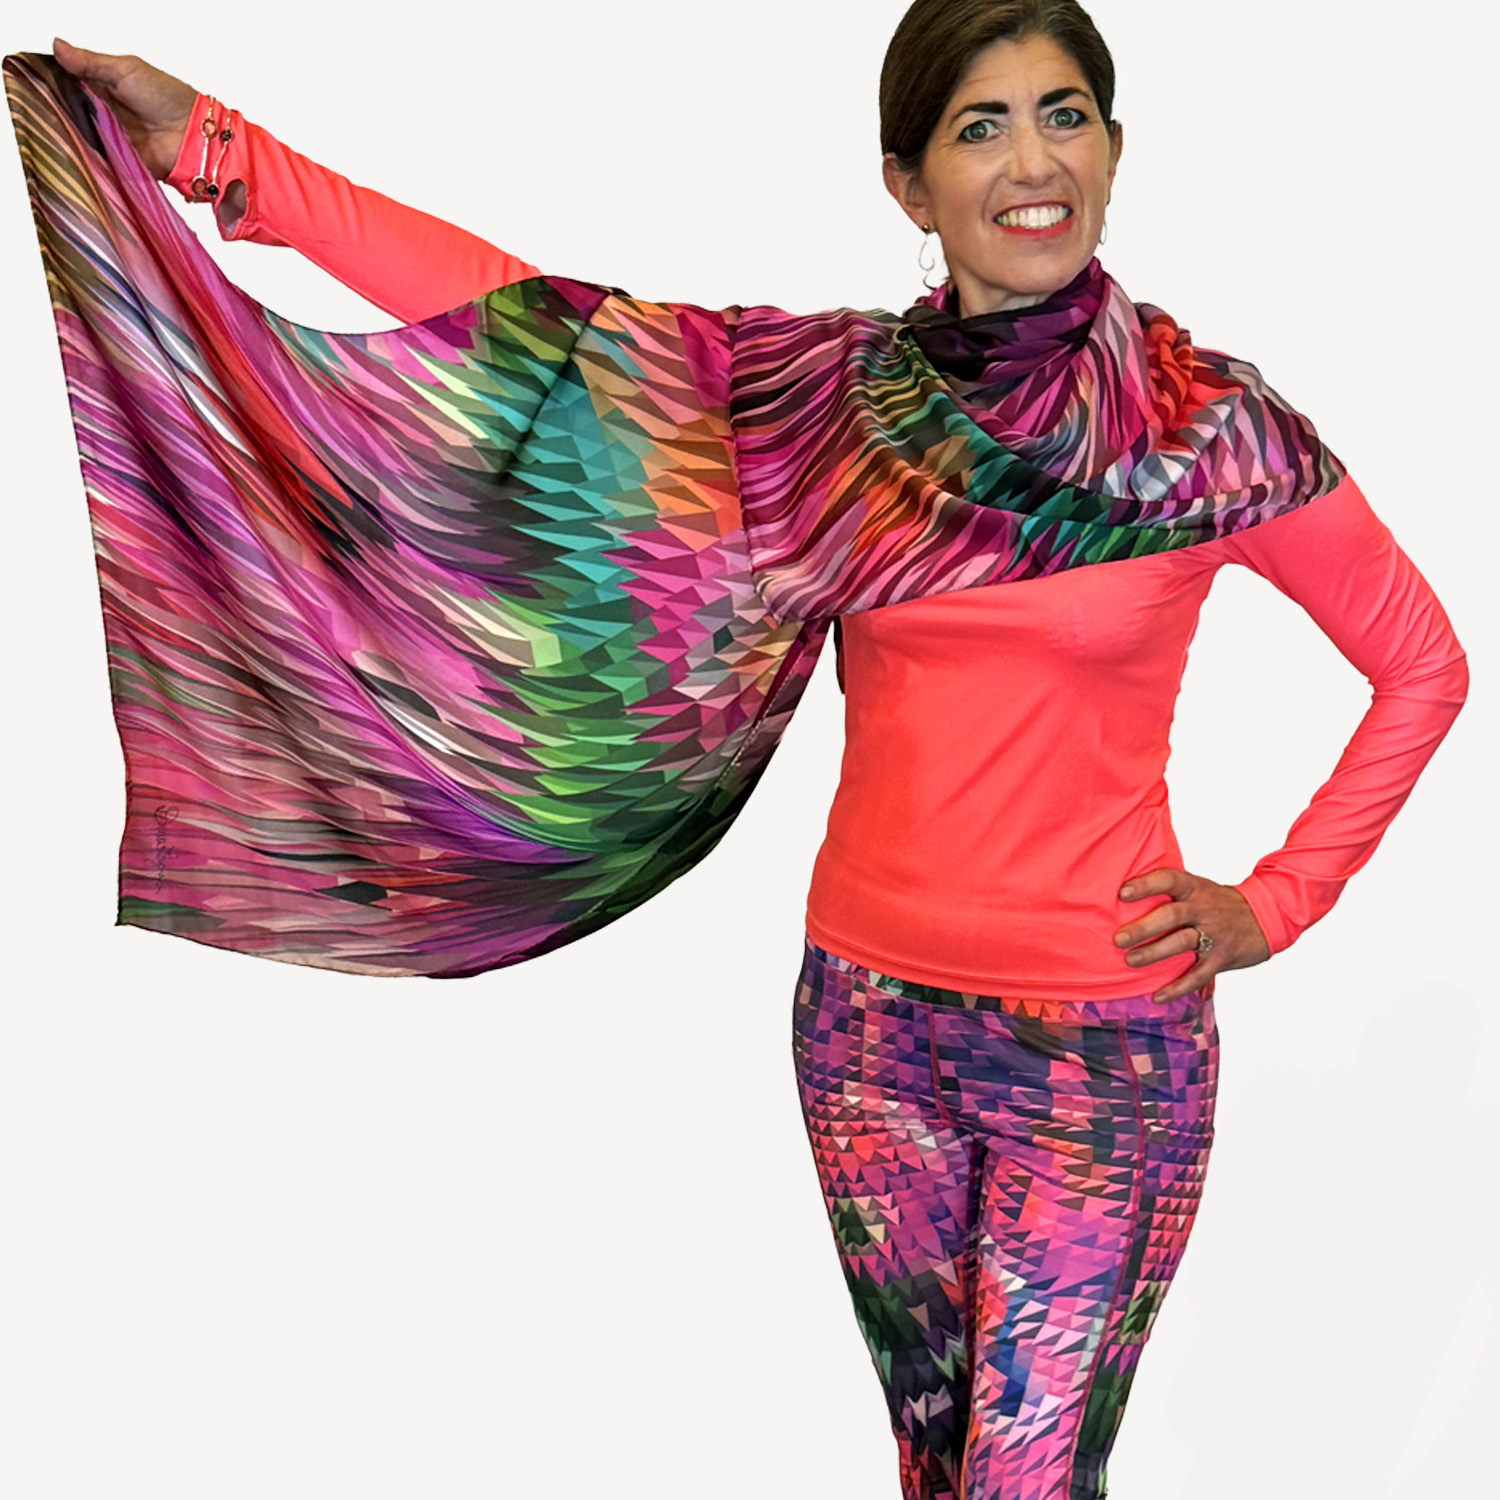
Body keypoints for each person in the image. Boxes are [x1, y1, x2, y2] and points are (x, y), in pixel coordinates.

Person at [18, 2, 1469, 1496]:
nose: (1034, 161)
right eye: (981, 126)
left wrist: (1275, 903)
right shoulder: (830, 409)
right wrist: (214, 148)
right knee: (937, 1471)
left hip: (1105, 1050)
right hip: (869, 1028)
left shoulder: (1209, 433)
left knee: (1023, 1484)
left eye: (1065, 115)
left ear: (1115, 147)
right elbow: (539, 335)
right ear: (909, 185)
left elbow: (1422, 664)